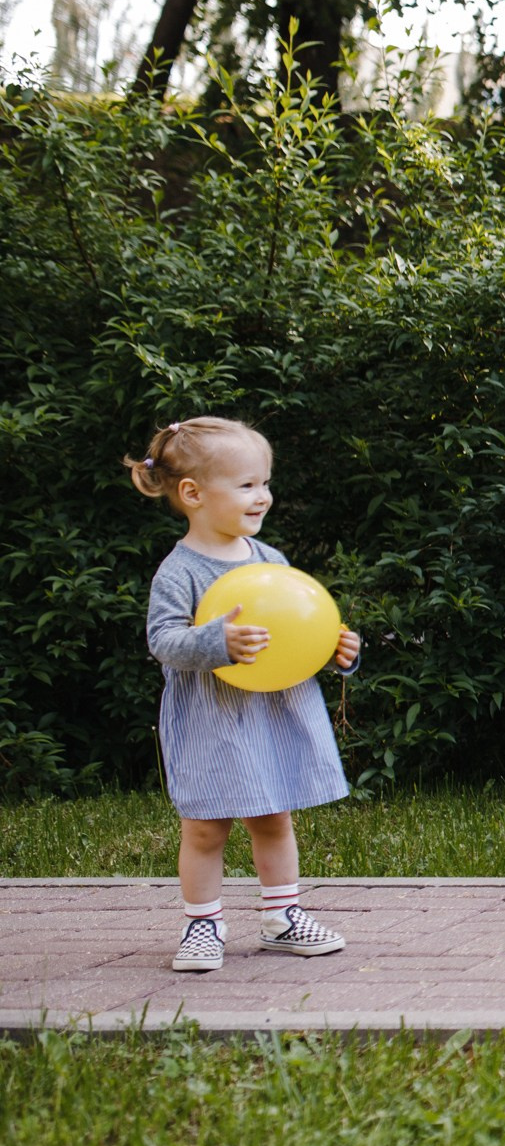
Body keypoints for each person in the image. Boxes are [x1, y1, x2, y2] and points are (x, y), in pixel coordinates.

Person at [128, 417, 361, 973]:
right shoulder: (180, 570)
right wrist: (217, 641)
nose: (264, 496)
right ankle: (201, 924)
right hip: (211, 717)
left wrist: (334, 646)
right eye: (247, 485)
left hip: (270, 712)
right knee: (206, 826)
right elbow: (162, 641)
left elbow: (295, 626)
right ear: (193, 493)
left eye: (265, 482)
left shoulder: (270, 561)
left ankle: (283, 917)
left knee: (273, 816)